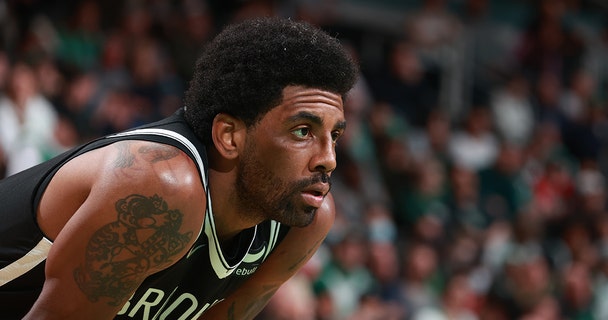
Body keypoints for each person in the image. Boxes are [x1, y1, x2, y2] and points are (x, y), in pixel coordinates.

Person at [0, 17, 358, 319]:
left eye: (335, 135)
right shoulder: (161, 185)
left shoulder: (302, 222)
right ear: (230, 136)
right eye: (302, 131)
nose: (328, 158)